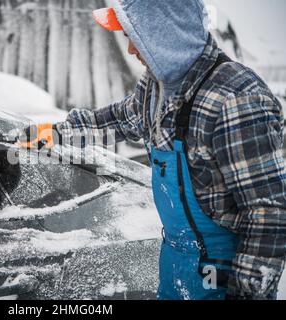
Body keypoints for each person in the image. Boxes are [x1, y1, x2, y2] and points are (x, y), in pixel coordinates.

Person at [23, 0, 286, 300]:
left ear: (165, 35)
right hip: (176, 268)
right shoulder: (157, 87)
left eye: (137, 39)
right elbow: (117, 120)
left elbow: (268, 216)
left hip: (224, 279)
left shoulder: (236, 100)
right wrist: (49, 134)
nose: (132, 51)